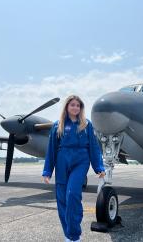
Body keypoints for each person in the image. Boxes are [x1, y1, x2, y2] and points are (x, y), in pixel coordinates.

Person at [42, 95, 105, 242]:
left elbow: (94, 147)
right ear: (67, 107)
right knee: (62, 199)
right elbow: (51, 149)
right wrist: (47, 171)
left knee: (72, 195)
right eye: (73, 105)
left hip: (81, 162)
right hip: (62, 161)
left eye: (78, 105)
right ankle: (68, 235)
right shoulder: (58, 125)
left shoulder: (87, 125)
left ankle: (75, 235)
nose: (76, 107)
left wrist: (98, 167)